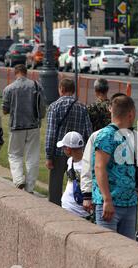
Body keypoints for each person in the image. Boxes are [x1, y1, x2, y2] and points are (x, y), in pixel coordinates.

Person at [81, 93, 138, 214]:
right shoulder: (99, 136)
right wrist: (87, 194)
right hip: (105, 201)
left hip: (129, 201)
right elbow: (90, 166)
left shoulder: (136, 138)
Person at [92, 95, 138, 239]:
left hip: (129, 204)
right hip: (111, 206)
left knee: (127, 251)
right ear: (131, 114)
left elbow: (131, 173)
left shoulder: (127, 136)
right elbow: (99, 168)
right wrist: (107, 200)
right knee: (108, 250)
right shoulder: (107, 135)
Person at [45, 78, 93, 206]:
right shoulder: (82, 107)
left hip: (60, 152)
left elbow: (51, 133)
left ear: (61, 89)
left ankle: (55, 207)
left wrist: (49, 155)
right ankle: (76, 205)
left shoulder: (54, 106)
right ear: (73, 90)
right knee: (77, 182)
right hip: (77, 153)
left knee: (56, 184)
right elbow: (89, 131)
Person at [2, 64, 46, 193]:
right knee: (32, 156)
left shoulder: (9, 89)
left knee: (15, 155)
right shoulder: (37, 86)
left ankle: (18, 179)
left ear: (15, 73)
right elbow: (42, 106)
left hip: (16, 125)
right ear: (26, 73)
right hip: (33, 126)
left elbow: (5, 109)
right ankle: (30, 187)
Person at [57, 131, 91, 219]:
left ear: (68, 149)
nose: (63, 150)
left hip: (73, 208)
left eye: (64, 148)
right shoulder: (86, 162)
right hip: (77, 207)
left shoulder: (74, 162)